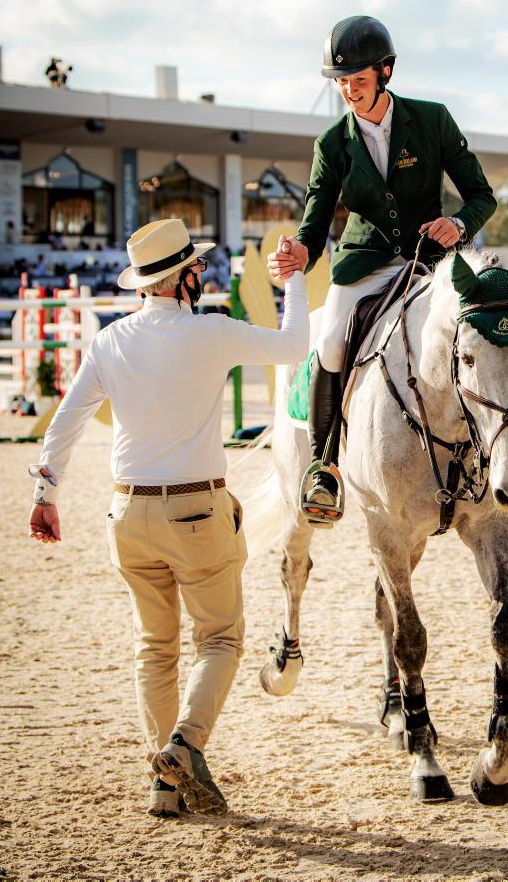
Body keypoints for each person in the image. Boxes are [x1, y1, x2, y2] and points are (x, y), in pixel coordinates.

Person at [27, 219, 309, 818]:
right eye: (196, 266)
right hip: (196, 508)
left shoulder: (110, 340)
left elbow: (67, 420)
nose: (202, 273)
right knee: (221, 638)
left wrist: (46, 492)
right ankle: (185, 745)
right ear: (182, 278)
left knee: (154, 648)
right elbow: (292, 346)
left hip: (127, 511)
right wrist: (294, 279)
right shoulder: (210, 331)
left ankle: (163, 785)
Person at [268, 15, 496, 525]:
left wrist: (458, 224)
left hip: (431, 262)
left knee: (484, 327)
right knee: (330, 345)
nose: (349, 91)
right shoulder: (331, 143)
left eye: (358, 79)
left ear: (385, 72)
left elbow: (482, 196)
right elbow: (315, 221)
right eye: (342, 82)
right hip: (364, 263)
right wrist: (301, 252)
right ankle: (324, 466)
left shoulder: (432, 120)